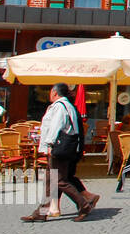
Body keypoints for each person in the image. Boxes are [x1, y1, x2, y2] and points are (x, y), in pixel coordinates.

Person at [21, 83, 99, 223]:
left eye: (51, 91)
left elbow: (56, 126)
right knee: (50, 182)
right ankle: (42, 212)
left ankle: (84, 205)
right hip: (64, 148)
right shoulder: (67, 106)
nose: (50, 94)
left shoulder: (59, 107)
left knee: (59, 181)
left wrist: (49, 144)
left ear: (55, 93)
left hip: (59, 148)